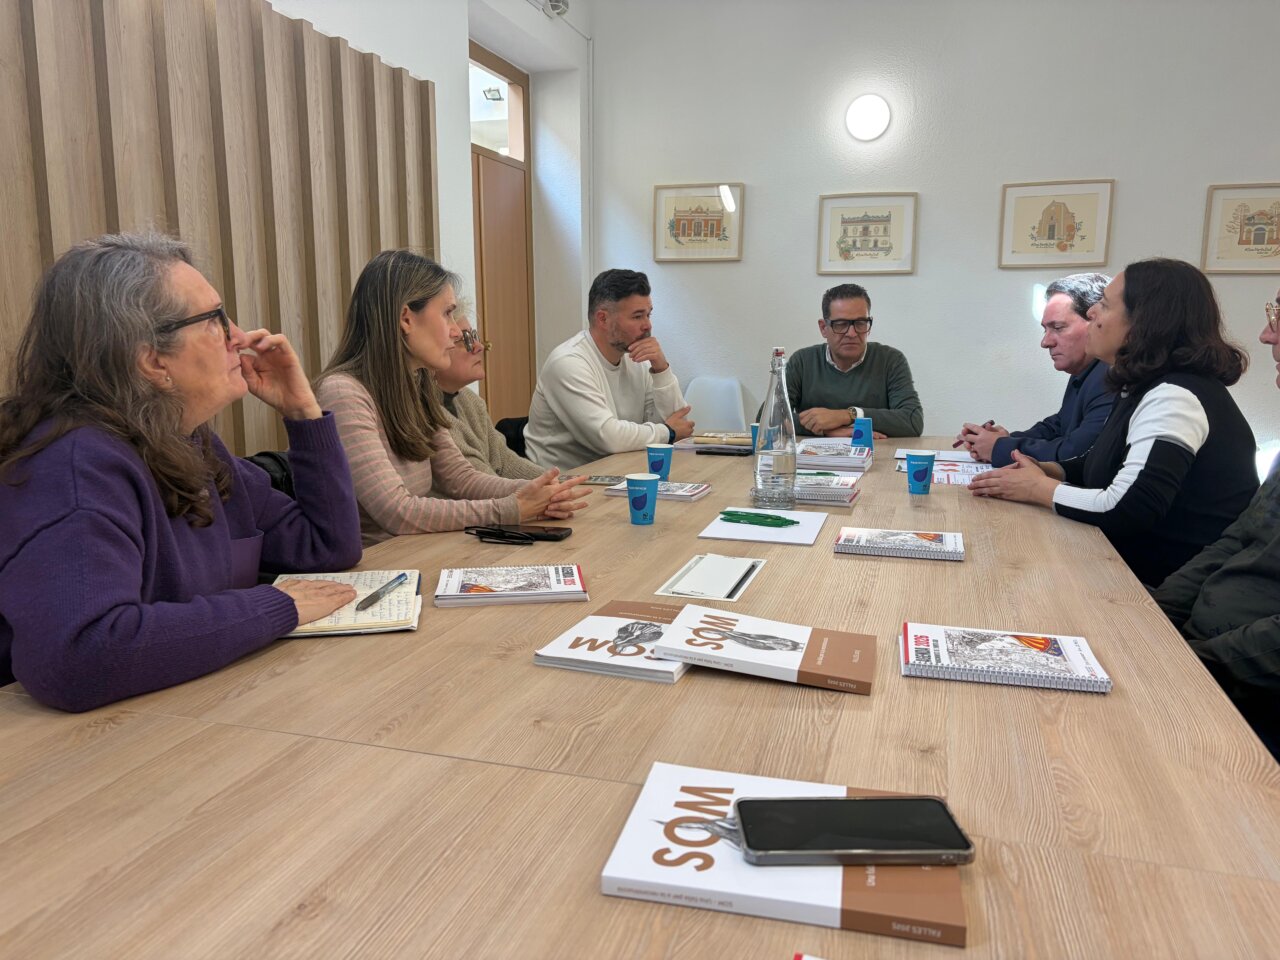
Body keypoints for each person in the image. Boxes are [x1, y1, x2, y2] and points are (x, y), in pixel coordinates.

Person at [0, 233, 363, 712]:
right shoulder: (74, 465)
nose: (239, 336)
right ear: (153, 361)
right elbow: (79, 656)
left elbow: (327, 547)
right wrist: (278, 606)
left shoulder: (191, 444)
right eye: (215, 320)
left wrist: (303, 412)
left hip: (186, 715)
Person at [969, 259, 1258, 587]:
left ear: (1146, 321)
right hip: (1127, 567)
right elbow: (1104, 467)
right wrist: (1048, 470)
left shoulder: (1175, 395)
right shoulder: (1142, 385)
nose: (1092, 314)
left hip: (1162, 590)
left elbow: (1127, 507)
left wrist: (1038, 487)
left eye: (1104, 305)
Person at [315, 250, 589, 545]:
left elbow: (461, 478)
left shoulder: (416, 382)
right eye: (447, 313)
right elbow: (396, 511)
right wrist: (512, 508)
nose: (456, 330)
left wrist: (539, 492)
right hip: (377, 569)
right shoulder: (343, 393)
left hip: (417, 554)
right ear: (406, 318)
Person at [1150, 289, 1280, 756]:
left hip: (1249, 697)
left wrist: (1188, 665)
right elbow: (1238, 539)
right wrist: (1150, 620)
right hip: (1202, 649)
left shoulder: (1179, 394)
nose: (1266, 334)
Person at [524, 269, 694, 472]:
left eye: (648, 315)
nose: (647, 325)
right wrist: (668, 432)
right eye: (637, 316)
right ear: (603, 319)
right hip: (563, 484)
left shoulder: (637, 357)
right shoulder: (568, 362)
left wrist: (661, 368)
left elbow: (679, 424)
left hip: (617, 474)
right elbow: (608, 437)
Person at [956, 273, 1114, 465]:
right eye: (1045, 330)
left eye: (1058, 327)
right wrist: (1005, 441)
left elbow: (1077, 454)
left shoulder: (1112, 375)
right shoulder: (1087, 369)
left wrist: (1000, 448)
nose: (1045, 342)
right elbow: (1059, 426)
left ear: (1096, 321)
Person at [786, 283, 923, 438]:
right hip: (814, 459)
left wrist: (848, 415)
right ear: (823, 327)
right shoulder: (802, 362)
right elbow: (768, 418)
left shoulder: (890, 360)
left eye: (860, 323)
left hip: (877, 456)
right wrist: (828, 431)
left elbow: (912, 421)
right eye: (841, 324)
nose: (851, 333)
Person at [431, 303, 545, 482]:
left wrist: (558, 482)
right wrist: (548, 491)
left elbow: (505, 461)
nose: (479, 347)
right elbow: (479, 481)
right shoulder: (424, 410)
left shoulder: (470, 400)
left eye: (474, 336)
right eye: (465, 340)